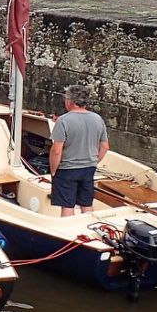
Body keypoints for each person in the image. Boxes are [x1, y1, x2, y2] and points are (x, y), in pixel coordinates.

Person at [49, 84, 110, 217]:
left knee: (67, 206)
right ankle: (89, 226)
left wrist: (53, 170)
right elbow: (105, 147)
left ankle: (68, 229)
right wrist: (93, 161)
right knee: (87, 204)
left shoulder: (63, 121)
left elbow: (56, 151)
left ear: (70, 101)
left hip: (67, 169)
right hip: (88, 169)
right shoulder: (98, 119)